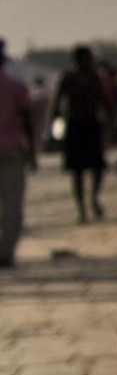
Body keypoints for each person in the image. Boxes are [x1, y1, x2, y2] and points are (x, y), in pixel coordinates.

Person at [51, 44, 109, 223]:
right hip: (77, 125)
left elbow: (105, 103)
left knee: (95, 168)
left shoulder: (93, 78)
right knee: (79, 172)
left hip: (88, 124)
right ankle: (83, 207)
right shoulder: (70, 78)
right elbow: (56, 105)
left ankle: (91, 200)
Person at [0, 40, 33, 266]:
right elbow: (26, 120)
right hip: (11, 149)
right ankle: (5, 251)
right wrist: (32, 152)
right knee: (12, 204)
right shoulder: (15, 86)